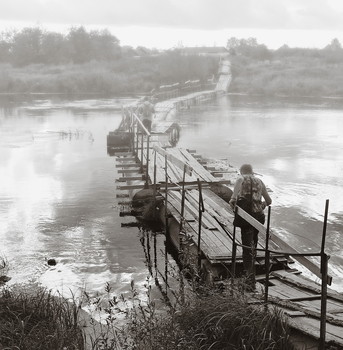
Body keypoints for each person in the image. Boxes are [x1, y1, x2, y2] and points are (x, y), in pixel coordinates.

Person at [229, 164, 272, 291]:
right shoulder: (260, 182)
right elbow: (269, 201)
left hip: (246, 217)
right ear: (252, 172)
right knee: (253, 245)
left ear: (242, 172)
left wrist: (233, 202)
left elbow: (232, 200)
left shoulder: (241, 179)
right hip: (259, 217)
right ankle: (250, 276)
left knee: (247, 249)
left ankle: (249, 282)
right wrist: (261, 206)